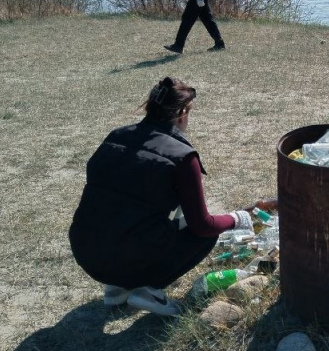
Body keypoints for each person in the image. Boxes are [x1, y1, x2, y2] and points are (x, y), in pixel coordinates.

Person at [68, 76, 273, 315]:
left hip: (85, 250)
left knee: (123, 213)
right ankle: (149, 289)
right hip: (125, 255)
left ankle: (116, 288)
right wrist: (237, 218)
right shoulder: (183, 156)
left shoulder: (116, 136)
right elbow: (203, 225)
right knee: (205, 235)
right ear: (182, 113)